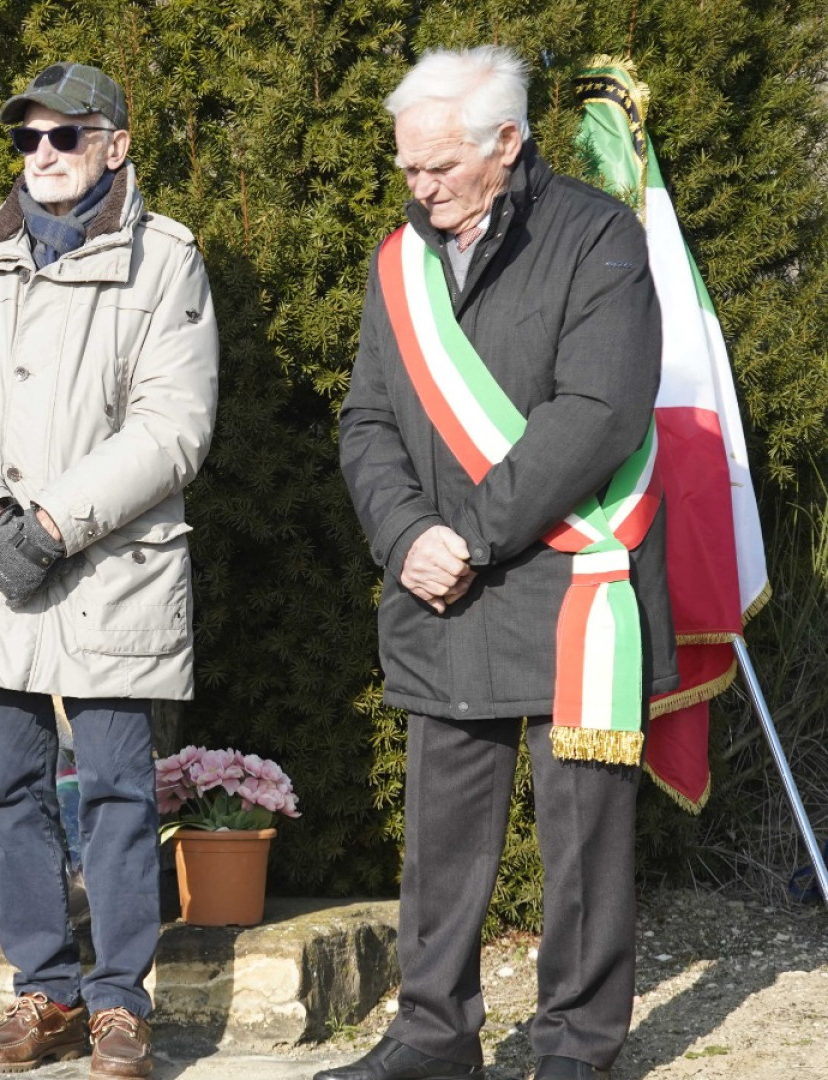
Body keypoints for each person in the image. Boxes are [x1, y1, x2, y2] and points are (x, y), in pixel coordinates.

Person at [330, 47, 676, 1080]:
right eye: (407, 166)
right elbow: (368, 420)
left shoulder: (598, 237)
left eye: (439, 166)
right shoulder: (400, 261)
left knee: (583, 848)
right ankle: (432, 1035)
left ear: (508, 143)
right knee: (439, 842)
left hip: (570, 585)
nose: (419, 187)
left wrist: (470, 536)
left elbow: (598, 411)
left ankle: (577, 1046)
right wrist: (407, 537)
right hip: (441, 592)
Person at [0, 62, 220, 1079]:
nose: (43, 153)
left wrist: (51, 523)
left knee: (119, 787)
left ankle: (120, 1004)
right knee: (10, 788)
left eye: (65, 135)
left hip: (107, 568)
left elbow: (175, 425)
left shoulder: (167, 260)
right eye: (28, 137)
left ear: (115, 145)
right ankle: (45, 992)